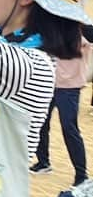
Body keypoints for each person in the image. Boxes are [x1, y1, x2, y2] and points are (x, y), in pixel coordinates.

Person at [33, 25, 90, 185]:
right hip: (50, 83)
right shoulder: (52, 28)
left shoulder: (85, 31)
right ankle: (43, 162)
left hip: (70, 88)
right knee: (41, 123)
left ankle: (81, 175)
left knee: (69, 129)